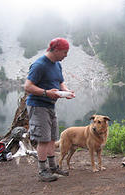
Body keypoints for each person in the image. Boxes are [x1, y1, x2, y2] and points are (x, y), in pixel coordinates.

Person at [24, 37, 75, 182]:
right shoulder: (39, 65)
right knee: (43, 139)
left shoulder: (57, 64)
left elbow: (60, 81)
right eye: (65, 52)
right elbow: (28, 86)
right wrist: (47, 93)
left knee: (52, 137)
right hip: (38, 105)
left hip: (50, 105)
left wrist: (66, 91)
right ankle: (42, 171)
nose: (66, 55)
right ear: (56, 50)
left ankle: (53, 167)